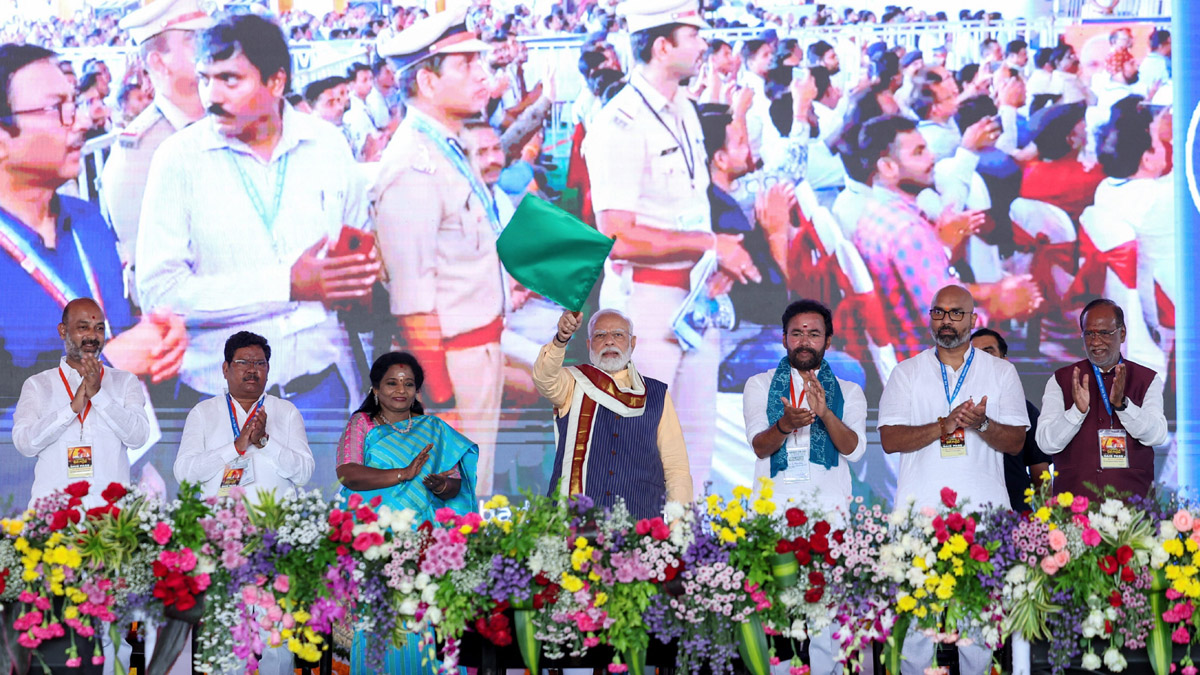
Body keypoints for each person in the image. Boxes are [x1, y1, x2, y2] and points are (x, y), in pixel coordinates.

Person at [136, 14, 378, 431]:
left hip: (324, 398)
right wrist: (286, 285)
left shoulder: (328, 146)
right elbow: (160, 293)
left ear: (276, 82)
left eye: (230, 80)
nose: (212, 95)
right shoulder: (178, 160)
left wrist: (357, 281)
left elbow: (357, 251)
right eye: (205, 78)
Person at [584, 0, 749, 491]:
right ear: (662, 46)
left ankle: (686, 556)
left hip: (695, 300)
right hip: (648, 305)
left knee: (694, 456)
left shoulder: (682, 108)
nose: (704, 44)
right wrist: (708, 242)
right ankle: (635, 563)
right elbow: (615, 235)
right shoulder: (620, 122)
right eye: (693, 35)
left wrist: (711, 254)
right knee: (637, 457)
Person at [0, 43, 185, 396]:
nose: (83, 122)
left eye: (76, 104)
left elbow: (116, 330)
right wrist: (109, 365)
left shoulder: (89, 221)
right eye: (57, 109)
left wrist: (157, 337)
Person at [372, 6, 503, 497]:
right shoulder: (413, 166)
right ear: (427, 82)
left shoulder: (449, 147)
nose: (482, 75)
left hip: (476, 348)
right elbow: (413, 306)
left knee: (474, 495)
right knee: (451, 506)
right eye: (465, 65)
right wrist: (440, 400)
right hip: (450, 361)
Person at [878, 285, 1029, 675]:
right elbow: (891, 439)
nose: (947, 320)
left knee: (979, 634)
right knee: (915, 635)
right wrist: (943, 425)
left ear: (973, 319)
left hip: (983, 517)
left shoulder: (1001, 371)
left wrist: (980, 423)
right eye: (939, 312)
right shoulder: (906, 371)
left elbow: (1015, 442)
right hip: (919, 518)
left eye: (956, 313)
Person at [851, 115, 1041, 360]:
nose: (931, 157)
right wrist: (999, 306)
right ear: (887, 167)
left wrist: (993, 289)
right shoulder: (910, 232)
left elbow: (933, 289)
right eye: (919, 152)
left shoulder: (874, 211)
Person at [335, 351, 477, 673]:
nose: (400, 389)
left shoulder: (433, 429)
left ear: (417, 391)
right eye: (391, 383)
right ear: (375, 389)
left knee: (425, 621)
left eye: (408, 383)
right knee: (376, 625)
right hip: (373, 541)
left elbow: (455, 484)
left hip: (424, 540)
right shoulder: (363, 423)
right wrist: (403, 473)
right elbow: (347, 472)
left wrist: (440, 484)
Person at [534, 309, 692, 518]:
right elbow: (544, 379)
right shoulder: (573, 382)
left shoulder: (656, 394)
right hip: (575, 529)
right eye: (600, 335)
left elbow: (676, 468)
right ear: (589, 345)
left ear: (632, 343)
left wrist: (677, 527)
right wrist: (561, 339)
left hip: (640, 528)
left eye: (618, 334)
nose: (609, 341)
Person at [101, 0, 212, 279]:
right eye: (192, 40)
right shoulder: (138, 152)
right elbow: (150, 271)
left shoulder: (229, 120)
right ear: (158, 62)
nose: (210, 48)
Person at [12, 298, 150, 509]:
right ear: (62, 331)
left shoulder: (125, 381)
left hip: (110, 521)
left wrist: (99, 395)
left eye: (99, 328)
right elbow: (24, 443)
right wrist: (70, 410)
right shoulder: (38, 385)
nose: (92, 336)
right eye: (83, 327)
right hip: (55, 521)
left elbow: (138, 437)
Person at [742, 300, 867, 523]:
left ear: (828, 341)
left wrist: (827, 415)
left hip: (828, 516)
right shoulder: (760, 384)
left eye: (814, 335)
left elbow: (854, 452)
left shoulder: (849, 391)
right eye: (797, 334)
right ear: (784, 339)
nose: (804, 342)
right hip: (772, 512)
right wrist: (784, 426)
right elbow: (760, 448)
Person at [1035, 299, 1168, 500]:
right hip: (1074, 510)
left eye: (1105, 333)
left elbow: (1157, 435)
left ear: (1122, 334)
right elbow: (1046, 443)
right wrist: (1076, 413)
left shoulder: (1146, 379)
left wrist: (1123, 405)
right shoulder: (1062, 379)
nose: (1096, 342)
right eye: (1089, 334)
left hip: (1132, 510)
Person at [174, 331, 314, 502]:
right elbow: (184, 475)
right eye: (243, 363)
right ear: (225, 369)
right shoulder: (202, 412)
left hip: (274, 523)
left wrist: (265, 442)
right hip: (219, 524)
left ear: (268, 369)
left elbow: (304, 474)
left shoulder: (287, 411)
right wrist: (234, 448)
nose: (252, 370)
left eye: (260, 363)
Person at [971, 327, 1050, 511]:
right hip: (966, 518)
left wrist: (1043, 521)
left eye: (988, 352)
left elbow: (1041, 473)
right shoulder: (958, 410)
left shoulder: (1024, 409)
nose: (981, 360)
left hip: (1015, 517)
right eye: (974, 356)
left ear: (1004, 361)